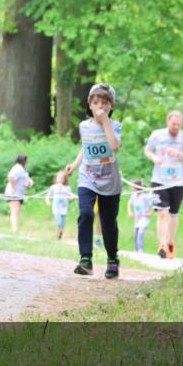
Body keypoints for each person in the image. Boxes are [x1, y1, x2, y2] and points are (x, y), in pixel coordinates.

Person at [64, 84, 123, 279]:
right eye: (95, 102)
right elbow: (86, 147)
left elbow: (114, 146)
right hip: (87, 177)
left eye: (104, 103)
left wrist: (105, 120)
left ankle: (113, 259)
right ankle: (86, 259)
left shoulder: (114, 126)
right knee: (86, 214)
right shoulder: (83, 126)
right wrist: (73, 165)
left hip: (109, 182)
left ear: (111, 106)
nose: (100, 107)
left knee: (108, 223)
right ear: (89, 105)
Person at [145, 111, 183, 259]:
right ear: (168, 121)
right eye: (174, 124)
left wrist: (179, 155)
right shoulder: (157, 135)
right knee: (162, 212)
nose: (176, 127)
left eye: (179, 125)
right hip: (159, 179)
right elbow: (148, 150)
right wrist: (155, 157)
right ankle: (162, 245)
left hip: (178, 181)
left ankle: (170, 244)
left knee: (174, 213)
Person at [4, 154, 33, 233]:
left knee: (16, 211)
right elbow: (10, 177)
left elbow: (24, 179)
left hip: (20, 193)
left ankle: (15, 228)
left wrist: (29, 182)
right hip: (14, 193)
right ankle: (14, 229)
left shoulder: (22, 169)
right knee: (14, 210)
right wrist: (13, 188)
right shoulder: (17, 168)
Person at [45, 171, 75, 240]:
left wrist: (71, 198)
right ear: (56, 179)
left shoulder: (67, 188)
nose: (60, 179)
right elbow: (48, 195)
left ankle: (61, 233)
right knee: (58, 221)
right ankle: (57, 235)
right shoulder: (53, 187)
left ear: (64, 179)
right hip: (56, 208)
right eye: (59, 178)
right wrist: (48, 201)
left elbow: (71, 197)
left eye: (62, 178)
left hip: (64, 208)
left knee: (63, 222)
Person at [127, 179, 155, 252]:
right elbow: (129, 204)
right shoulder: (133, 195)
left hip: (144, 217)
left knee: (141, 232)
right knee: (136, 232)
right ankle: (136, 249)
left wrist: (150, 213)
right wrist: (130, 212)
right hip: (137, 218)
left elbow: (154, 204)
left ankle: (140, 248)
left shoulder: (145, 196)